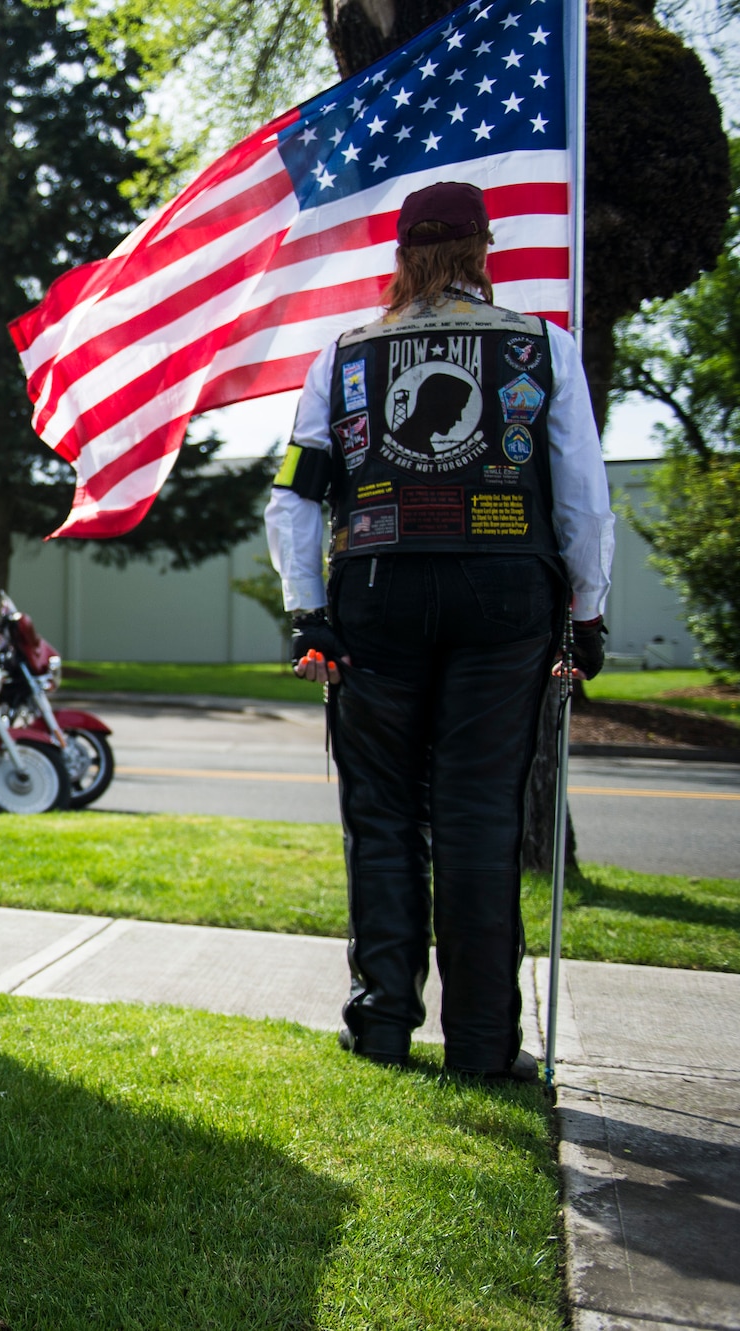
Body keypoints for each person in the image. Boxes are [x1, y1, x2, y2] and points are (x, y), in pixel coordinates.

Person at [264, 180, 614, 1080]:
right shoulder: (546, 347)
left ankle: (382, 1021)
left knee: (379, 813)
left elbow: (295, 495)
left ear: (400, 255)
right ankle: (485, 1045)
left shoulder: (344, 356)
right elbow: (580, 494)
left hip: (376, 588)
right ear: (484, 250)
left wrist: (307, 609)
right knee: (479, 815)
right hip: (507, 596)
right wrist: (589, 612)